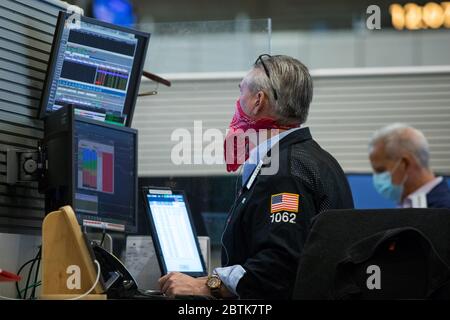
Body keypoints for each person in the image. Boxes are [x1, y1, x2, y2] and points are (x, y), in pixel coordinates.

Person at [158, 54, 354, 299]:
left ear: (257, 101)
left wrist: (208, 286)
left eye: (241, 92)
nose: (237, 102)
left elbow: (277, 270)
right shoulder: (315, 158)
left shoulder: (284, 171)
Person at [369, 123, 450, 208]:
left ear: (405, 163)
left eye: (381, 170)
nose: (377, 178)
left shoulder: (443, 211)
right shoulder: (409, 204)